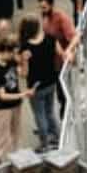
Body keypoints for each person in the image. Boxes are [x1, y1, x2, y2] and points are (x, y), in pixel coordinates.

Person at [18, 14, 63, 154]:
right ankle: (57, 139)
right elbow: (61, 53)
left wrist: (21, 65)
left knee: (39, 114)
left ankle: (44, 144)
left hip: (35, 87)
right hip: (51, 82)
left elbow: (24, 73)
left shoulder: (25, 48)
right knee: (50, 112)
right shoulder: (51, 39)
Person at [0, 35, 30, 165]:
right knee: (1, 133)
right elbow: (2, 95)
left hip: (16, 103)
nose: (14, 56)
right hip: (3, 107)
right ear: (4, 50)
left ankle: (16, 154)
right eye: (12, 53)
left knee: (16, 130)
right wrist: (22, 95)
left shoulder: (11, 60)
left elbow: (23, 74)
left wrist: (25, 61)